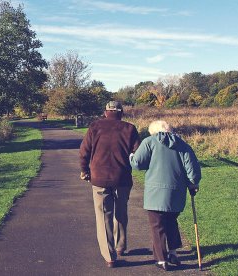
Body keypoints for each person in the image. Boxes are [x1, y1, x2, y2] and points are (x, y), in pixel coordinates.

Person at [129, 120, 201, 271]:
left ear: (153, 131)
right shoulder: (182, 144)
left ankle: (161, 259)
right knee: (171, 221)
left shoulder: (149, 142)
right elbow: (192, 170)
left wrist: (131, 156)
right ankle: (173, 253)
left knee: (157, 226)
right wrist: (193, 184)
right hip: (176, 193)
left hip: (155, 193)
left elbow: (137, 163)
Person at [79, 101, 140, 268]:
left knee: (103, 216)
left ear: (106, 112)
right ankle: (120, 246)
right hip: (122, 178)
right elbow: (137, 153)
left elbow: (84, 151)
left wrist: (84, 170)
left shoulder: (94, 127)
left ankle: (110, 256)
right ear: (121, 113)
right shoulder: (130, 128)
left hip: (99, 178)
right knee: (121, 212)